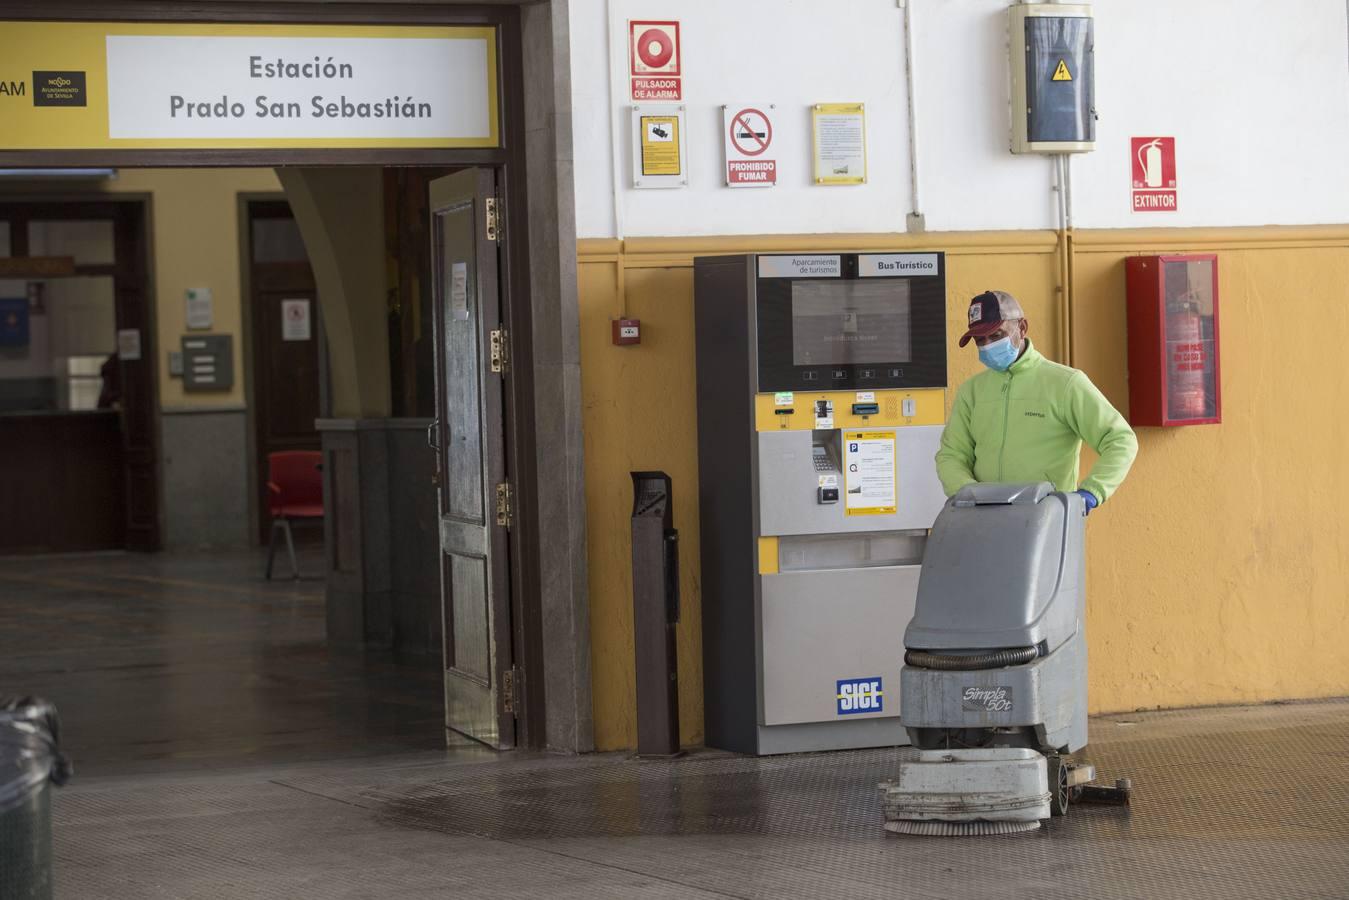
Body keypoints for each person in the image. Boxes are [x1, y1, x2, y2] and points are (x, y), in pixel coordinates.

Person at [935, 290, 1138, 513]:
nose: (987, 346)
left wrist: (1091, 492)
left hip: (1046, 520)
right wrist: (971, 496)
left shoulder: (1065, 383)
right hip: (983, 521)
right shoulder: (971, 391)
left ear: (1022, 328)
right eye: (979, 340)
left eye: (996, 335)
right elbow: (952, 455)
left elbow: (1120, 440)